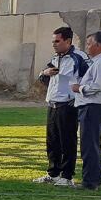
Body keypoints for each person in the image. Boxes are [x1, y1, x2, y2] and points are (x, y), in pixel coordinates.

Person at [35, 26, 89, 186]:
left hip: (68, 105)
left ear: (68, 41)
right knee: (52, 141)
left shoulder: (79, 57)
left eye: (57, 41)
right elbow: (43, 77)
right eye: (53, 41)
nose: (54, 44)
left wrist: (77, 98)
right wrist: (44, 73)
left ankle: (67, 176)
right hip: (52, 104)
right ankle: (53, 173)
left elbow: (89, 79)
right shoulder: (55, 58)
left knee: (68, 141)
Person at [71, 30, 101, 191]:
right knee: (92, 144)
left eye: (89, 44)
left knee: (90, 145)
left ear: (98, 45)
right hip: (92, 108)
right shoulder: (98, 61)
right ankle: (93, 179)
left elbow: (98, 86)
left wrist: (79, 88)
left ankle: (90, 182)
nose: (87, 47)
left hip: (94, 108)